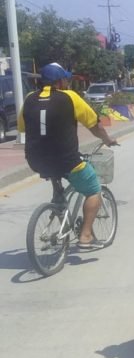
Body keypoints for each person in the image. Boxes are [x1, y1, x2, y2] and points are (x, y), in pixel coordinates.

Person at [19, 62, 117, 249]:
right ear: (60, 81)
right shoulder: (70, 97)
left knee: (55, 173)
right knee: (93, 189)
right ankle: (86, 236)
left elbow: (23, 127)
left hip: (36, 161)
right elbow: (95, 125)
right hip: (67, 160)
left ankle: (58, 203)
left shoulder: (29, 99)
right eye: (66, 79)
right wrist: (107, 140)